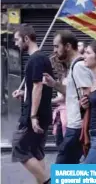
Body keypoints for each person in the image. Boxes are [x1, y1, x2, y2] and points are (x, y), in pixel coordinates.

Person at [43, 30, 94, 164]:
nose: (54, 51)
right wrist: (54, 84)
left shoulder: (79, 66)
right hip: (75, 125)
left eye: (56, 46)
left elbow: (87, 95)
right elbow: (71, 92)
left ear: (68, 46)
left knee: (62, 166)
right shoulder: (75, 65)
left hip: (77, 126)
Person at [11, 24, 52, 184]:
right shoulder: (41, 58)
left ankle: (47, 181)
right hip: (43, 113)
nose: (16, 43)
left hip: (34, 115)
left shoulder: (35, 59)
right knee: (36, 151)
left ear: (26, 38)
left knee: (18, 147)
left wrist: (33, 116)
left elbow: (38, 87)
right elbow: (35, 88)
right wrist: (24, 93)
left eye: (17, 40)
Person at [49, 55, 68, 147]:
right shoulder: (62, 78)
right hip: (62, 113)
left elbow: (64, 97)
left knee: (63, 145)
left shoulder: (66, 79)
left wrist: (48, 101)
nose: (54, 68)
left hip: (66, 114)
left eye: (55, 65)